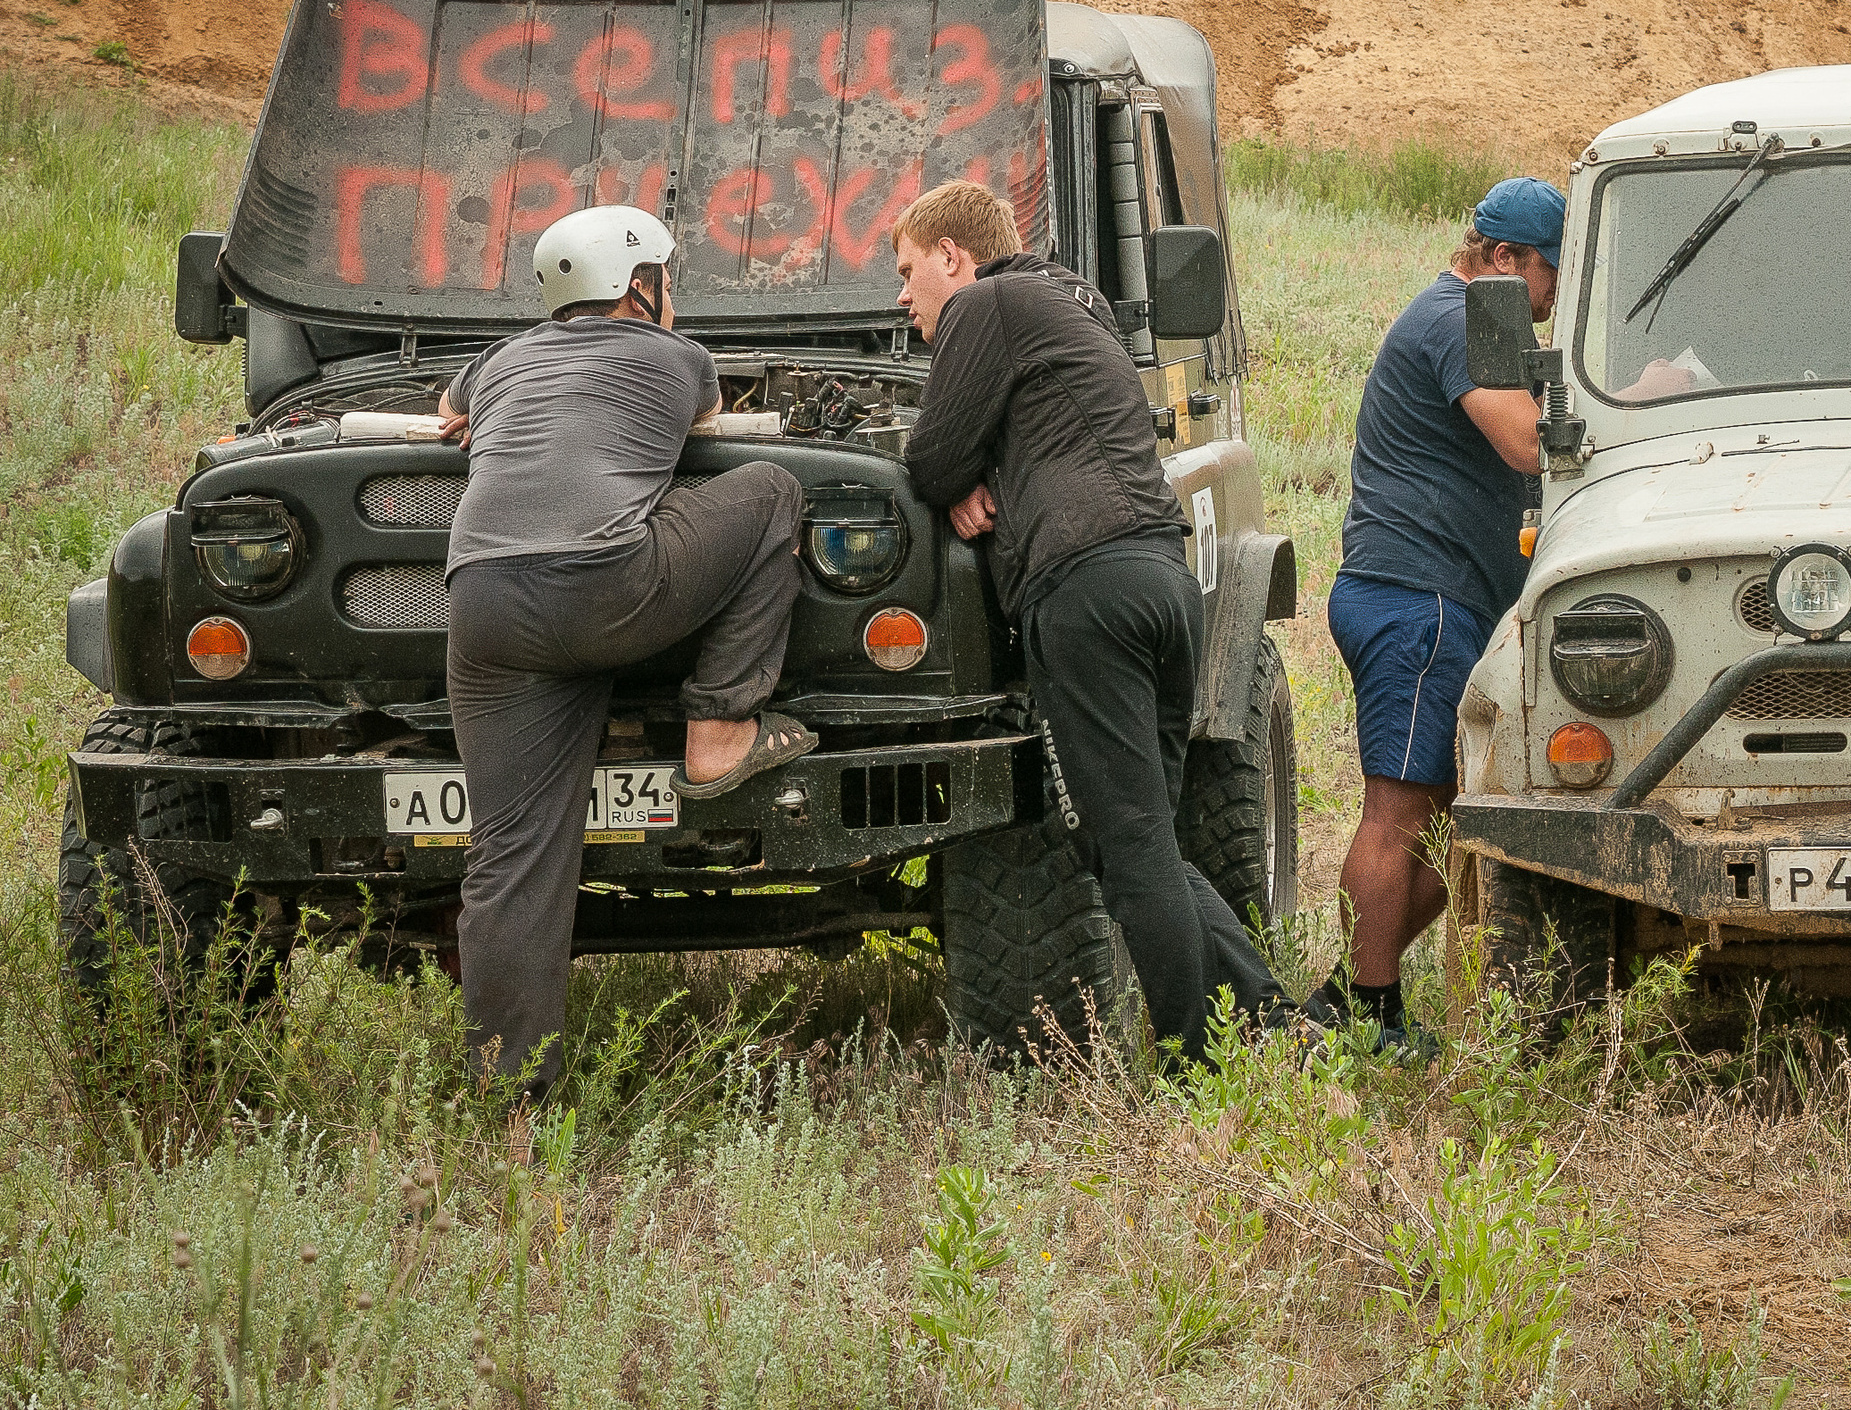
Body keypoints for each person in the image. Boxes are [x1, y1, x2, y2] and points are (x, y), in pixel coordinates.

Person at [894, 180, 1286, 1065]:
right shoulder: (1072, 299)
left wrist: (956, 479)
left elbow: (929, 453)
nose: (904, 296)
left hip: (1084, 592)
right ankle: (1268, 1016)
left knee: (1132, 844)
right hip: (1162, 580)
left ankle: (1196, 1061)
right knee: (1142, 840)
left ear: (953, 256)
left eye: (910, 271)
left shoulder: (983, 304)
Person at [439, 204, 815, 1095]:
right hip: (603, 585)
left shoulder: (500, 362)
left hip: (482, 604)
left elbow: (449, 412)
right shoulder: (675, 356)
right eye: (666, 278)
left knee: (509, 860)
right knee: (770, 490)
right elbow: (708, 422)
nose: (672, 293)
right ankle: (722, 730)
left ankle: (513, 1117)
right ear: (640, 286)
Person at [1313, 176, 1566, 1052]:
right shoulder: (1460, 319)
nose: (1554, 298)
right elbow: (1529, 441)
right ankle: (1368, 1012)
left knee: (1461, 817)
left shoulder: (1461, 317)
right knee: (1399, 812)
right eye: (1550, 277)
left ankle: (1350, 990)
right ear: (1504, 261)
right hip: (1417, 601)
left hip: (1432, 600)